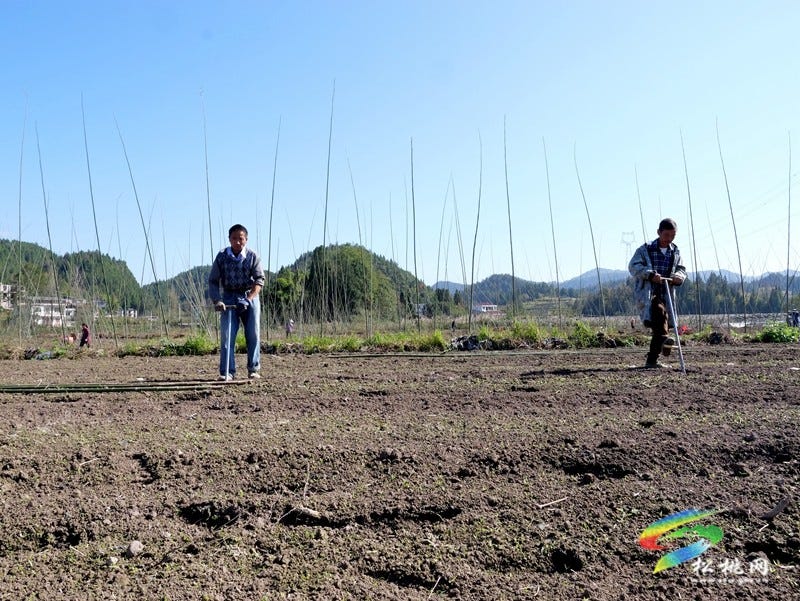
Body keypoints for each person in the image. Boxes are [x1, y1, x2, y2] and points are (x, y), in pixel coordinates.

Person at [208, 224, 265, 380]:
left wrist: (248, 299)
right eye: (234, 238)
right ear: (229, 239)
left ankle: (253, 369)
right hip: (228, 297)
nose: (237, 242)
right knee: (227, 335)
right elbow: (213, 281)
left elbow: (259, 280)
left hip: (249, 296)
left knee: (253, 333)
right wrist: (217, 300)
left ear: (246, 239)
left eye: (241, 239)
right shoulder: (222, 256)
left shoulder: (253, 256)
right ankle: (227, 372)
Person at [629, 218, 688, 368]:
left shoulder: (675, 252)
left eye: (672, 236)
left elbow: (681, 269)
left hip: (667, 294)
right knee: (659, 313)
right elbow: (633, 266)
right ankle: (664, 341)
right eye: (666, 235)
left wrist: (678, 277)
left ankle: (652, 360)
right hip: (648, 294)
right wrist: (649, 275)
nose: (669, 239)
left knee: (661, 324)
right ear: (658, 232)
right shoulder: (645, 250)